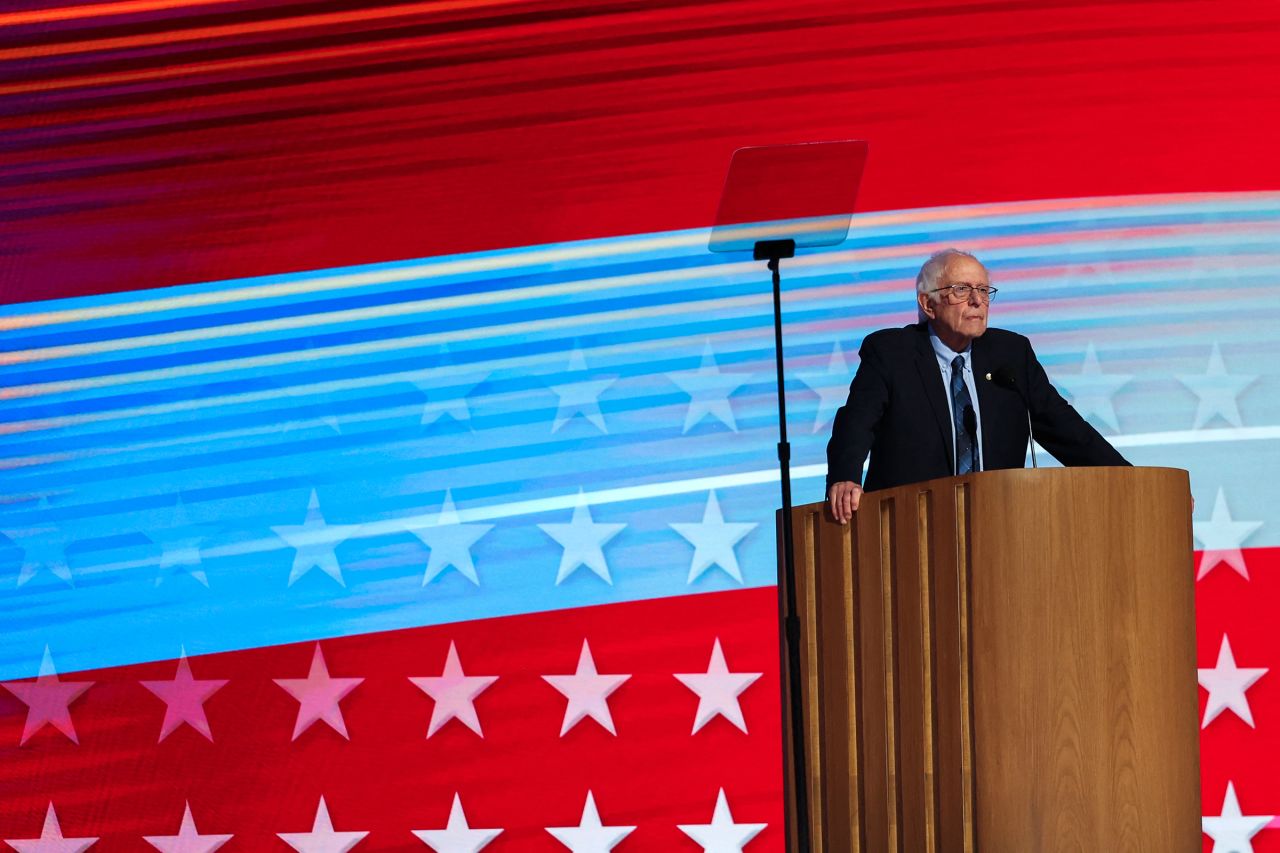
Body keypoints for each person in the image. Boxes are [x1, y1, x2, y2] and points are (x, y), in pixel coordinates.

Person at [826, 248, 1129, 523]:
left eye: (984, 290)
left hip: (996, 526)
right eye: (962, 290)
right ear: (928, 303)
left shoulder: (1010, 354)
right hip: (909, 527)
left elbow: (1066, 430)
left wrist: (1130, 479)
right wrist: (844, 476)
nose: (977, 300)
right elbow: (856, 421)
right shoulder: (893, 353)